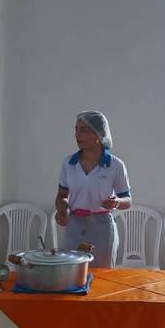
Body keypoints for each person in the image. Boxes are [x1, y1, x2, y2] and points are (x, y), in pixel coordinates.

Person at [53, 111, 131, 268]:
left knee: (102, 275)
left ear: (99, 135)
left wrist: (116, 202)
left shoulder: (115, 165)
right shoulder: (69, 163)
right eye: (76, 129)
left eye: (83, 130)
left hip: (102, 228)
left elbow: (127, 201)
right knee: (71, 272)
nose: (77, 135)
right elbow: (62, 195)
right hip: (74, 227)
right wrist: (62, 211)